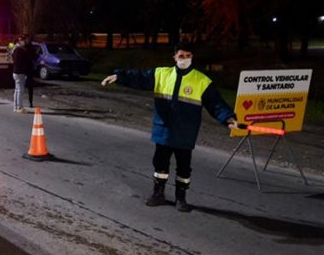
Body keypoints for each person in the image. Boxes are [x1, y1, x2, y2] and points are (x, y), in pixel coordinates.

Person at [101, 41, 238, 212]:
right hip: (164, 129)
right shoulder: (161, 74)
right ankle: (158, 194)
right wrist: (119, 76)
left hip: (185, 132)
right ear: (174, 57)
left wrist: (228, 118)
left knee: (184, 167)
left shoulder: (202, 81)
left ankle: (181, 198)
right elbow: (140, 77)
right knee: (160, 164)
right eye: (181, 56)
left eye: (188, 56)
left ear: (192, 57)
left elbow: (215, 103)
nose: (185, 59)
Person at [11, 35, 29, 114]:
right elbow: (18, 62)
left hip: (16, 72)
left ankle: (16, 107)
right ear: (19, 41)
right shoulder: (19, 50)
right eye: (23, 40)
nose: (24, 42)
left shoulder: (15, 49)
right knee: (20, 90)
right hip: (19, 72)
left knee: (17, 90)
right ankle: (19, 107)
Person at [24, 35, 37, 108]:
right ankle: (19, 102)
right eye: (27, 39)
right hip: (24, 68)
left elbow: (35, 57)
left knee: (30, 87)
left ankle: (30, 102)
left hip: (29, 69)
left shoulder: (31, 47)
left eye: (29, 39)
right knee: (21, 87)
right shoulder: (23, 47)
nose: (28, 40)